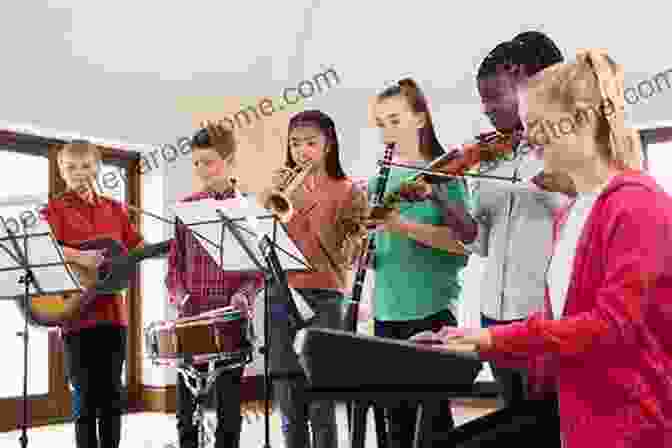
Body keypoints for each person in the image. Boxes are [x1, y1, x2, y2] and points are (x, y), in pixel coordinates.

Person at [413, 49, 672, 447]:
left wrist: (490, 341)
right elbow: (565, 328)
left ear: (583, 121)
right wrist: (468, 341)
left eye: (539, 125)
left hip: (631, 427)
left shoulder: (637, 203)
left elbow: (613, 329)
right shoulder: (573, 214)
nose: (528, 138)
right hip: (578, 418)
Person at [365, 77, 478, 448]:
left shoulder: (445, 173)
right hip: (387, 312)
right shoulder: (376, 181)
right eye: (381, 124)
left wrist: (402, 226)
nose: (387, 133)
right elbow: (379, 250)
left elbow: (463, 247)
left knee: (431, 426)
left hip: (430, 310)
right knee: (394, 425)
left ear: (419, 119)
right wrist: (363, 253)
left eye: (394, 121)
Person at [469, 31, 573, 410]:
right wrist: (445, 198)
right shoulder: (491, 156)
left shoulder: (561, 148)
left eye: (497, 97)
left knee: (544, 418)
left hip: (539, 311)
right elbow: (479, 242)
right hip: (493, 311)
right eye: (484, 101)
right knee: (512, 416)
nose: (488, 109)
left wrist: (530, 158)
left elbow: (568, 214)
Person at [266, 110, 368, 448]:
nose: (301, 151)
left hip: (325, 297)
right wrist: (272, 200)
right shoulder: (282, 190)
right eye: (295, 144)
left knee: (321, 401)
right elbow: (263, 244)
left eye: (310, 143)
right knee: (288, 400)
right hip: (283, 296)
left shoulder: (350, 191)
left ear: (328, 145)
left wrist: (299, 212)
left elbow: (345, 256)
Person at [165, 122, 265, 448]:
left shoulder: (249, 208)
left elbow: (258, 270)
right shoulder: (186, 208)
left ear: (230, 160)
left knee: (228, 405)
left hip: (230, 316)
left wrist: (243, 295)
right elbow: (174, 266)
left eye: (208, 162)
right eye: (196, 163)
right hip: (191, 315)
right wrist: (178, 295)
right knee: (186, 406)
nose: (201, 169)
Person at [41, 140, 144, 448]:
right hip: (75, 316)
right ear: (61, 171)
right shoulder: (54, 209)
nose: (79, 173)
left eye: (86, 166)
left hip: (113, 315)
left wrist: (158, 249)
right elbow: (43, 249)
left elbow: (136, 247)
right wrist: (79, 256)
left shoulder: (115, 209)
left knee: (112, 395)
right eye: (71, 167)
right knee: (84, 397)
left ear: (97, 167)